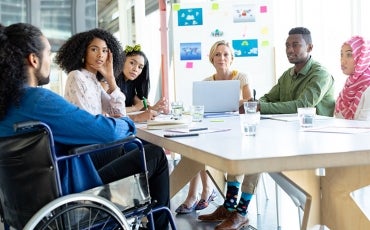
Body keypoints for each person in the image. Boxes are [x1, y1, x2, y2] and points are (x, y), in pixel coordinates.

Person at [0, 23, 169, 230]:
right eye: (48, 53)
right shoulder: (38, 101)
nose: (50, 60)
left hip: (24, 210)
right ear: (34, 60)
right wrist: (128, 123)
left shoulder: (5, 105)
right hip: (76, 200)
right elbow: (105, 131)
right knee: (154, 154)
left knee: (134, 148)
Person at [177, 40, 258, 230]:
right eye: (218, 54)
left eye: (226, 54)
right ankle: (228, 206)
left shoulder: (242, 77)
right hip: (216, 128)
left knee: (239, 154)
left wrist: (232, 101)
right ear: (211, 58)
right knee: (196, 149)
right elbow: (201, 109)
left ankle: (235, 209)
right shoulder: (206, 82)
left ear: (232, 58)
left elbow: (249, 103)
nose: (222, 58)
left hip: (238, 128)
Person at [257, 27, 335, 116]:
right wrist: (257, 104)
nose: (289, 50)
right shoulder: (287, 75)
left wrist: (262, 107)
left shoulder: (321, 74)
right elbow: (268, 98)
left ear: (309, 48)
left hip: (316, 128)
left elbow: (303, 106)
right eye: (287, 46)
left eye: (295, 45)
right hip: (289, 127)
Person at [116, 44, 168, 123]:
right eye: (132, 63)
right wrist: (135, 108)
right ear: (122, 61)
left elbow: (141, 106)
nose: (135, 69)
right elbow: (112, 111)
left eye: (140, 67)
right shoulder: (110, 82)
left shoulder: (130, 84)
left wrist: (155, 108)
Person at [335, 35, 370, 120]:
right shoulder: (348, 85)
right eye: (341, 54)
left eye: (349, 55)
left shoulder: (368, 87)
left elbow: (364, 125)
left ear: (362, 57)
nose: (342, 60)